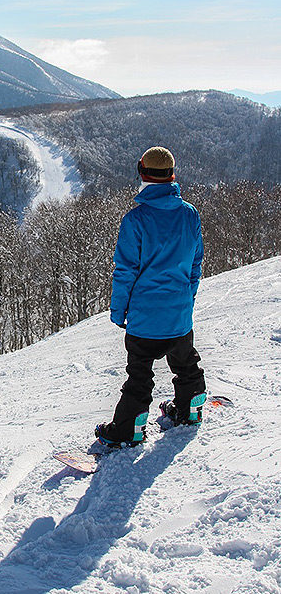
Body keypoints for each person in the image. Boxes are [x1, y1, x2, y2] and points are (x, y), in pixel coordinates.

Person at [95, 146, 206, 448]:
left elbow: (125, 272)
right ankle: (190, 409)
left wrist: (119, 312)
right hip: (179, 316)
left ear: (142, 173)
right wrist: (186, 299)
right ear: (172, 175)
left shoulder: (135, 220)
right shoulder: (190, 215)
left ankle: (128, 430)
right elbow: (195, 265)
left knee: (140, 376)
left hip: (145, 320)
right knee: (186, 364)